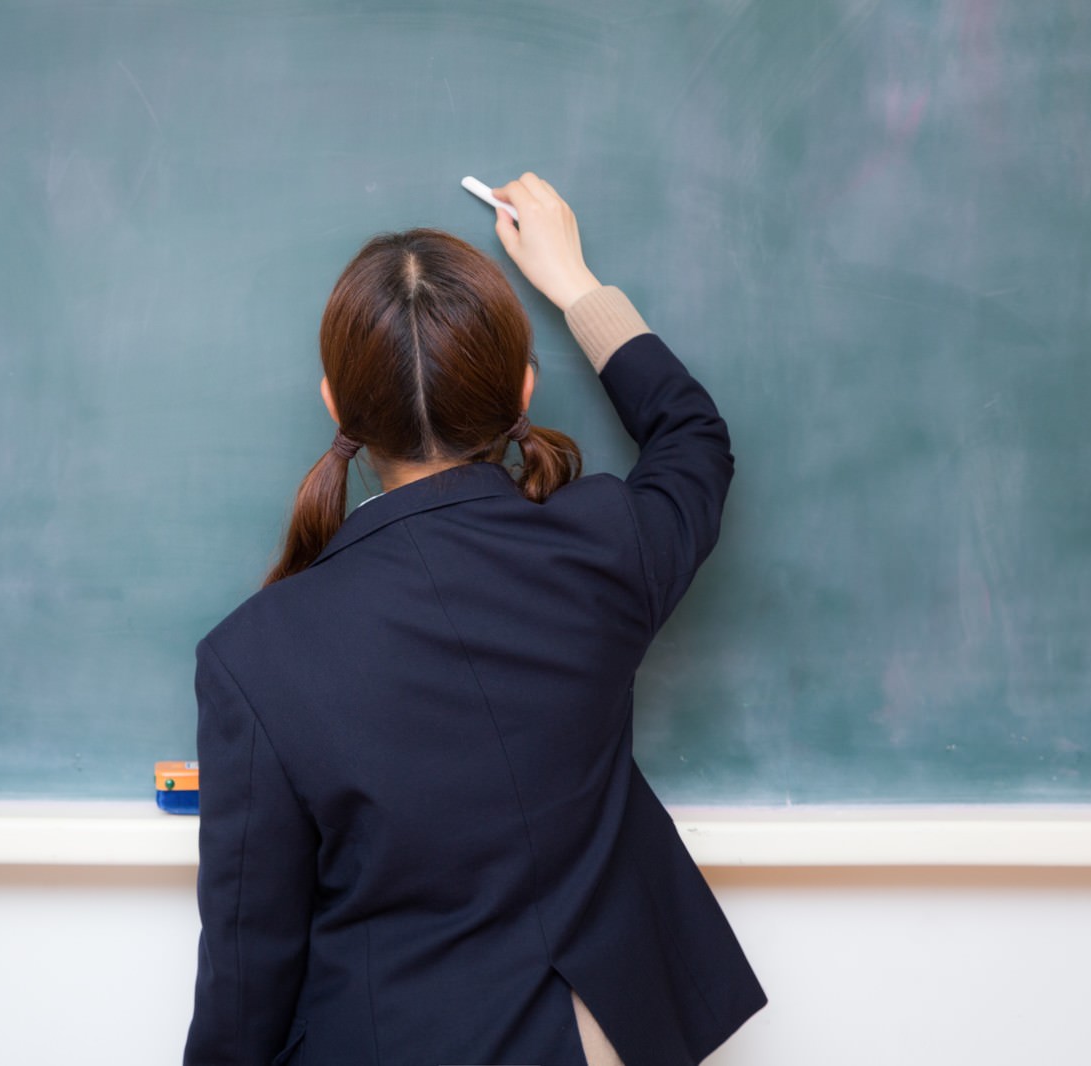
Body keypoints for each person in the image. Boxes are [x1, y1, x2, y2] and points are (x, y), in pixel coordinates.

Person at [184, 174, 765, 1066]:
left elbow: (246, 969)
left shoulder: (252, 657)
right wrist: (574, 284)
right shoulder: (603, 547)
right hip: (603, 1034)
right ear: (522, 390)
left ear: (336, 403)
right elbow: (692, 441)